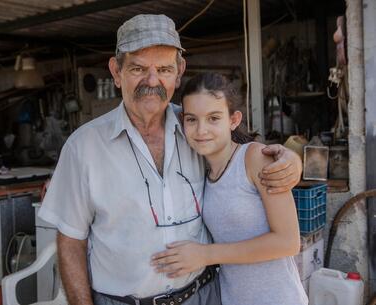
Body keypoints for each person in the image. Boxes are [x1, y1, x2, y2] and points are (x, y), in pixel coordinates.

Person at [38, 14, 302, 305]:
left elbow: (243, 155)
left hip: (203, 296)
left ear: (179, 72)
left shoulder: (194, 128)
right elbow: (71, 241)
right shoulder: (83, 147)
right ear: (116, 71)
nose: (152, 81)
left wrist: (290, 158)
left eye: (164, 69)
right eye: (138, 68)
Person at [151, 73, 308, 305]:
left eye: (214, 118)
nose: (201, 130)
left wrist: (206, 254)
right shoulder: (200, 169)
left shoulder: (254, 158)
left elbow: (288, 242)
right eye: (192, 119)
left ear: (233, 120)